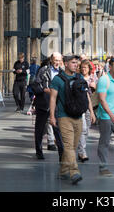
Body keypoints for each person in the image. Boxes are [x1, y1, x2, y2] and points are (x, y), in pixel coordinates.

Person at [49, 55, 96, 185]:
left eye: (77, 63)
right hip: (64, 117)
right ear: (65, 63)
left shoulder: (79, 77)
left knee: (73, 147)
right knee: (69, 146)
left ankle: (63, 170)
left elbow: (86, 95)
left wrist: (91, 112)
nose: (76, 65)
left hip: (78, 116)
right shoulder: (57, 80)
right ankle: (74, 172)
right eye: (73, 63)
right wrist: (52, 116)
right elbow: (53, 98)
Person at [33, 54, 64, 160]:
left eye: (59, 60)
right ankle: (39, 151)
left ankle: (62, 154)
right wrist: (44, 90)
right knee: (40, 129)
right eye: (56, 60)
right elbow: (36, 85)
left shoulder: (62, 72)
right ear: (51, 60)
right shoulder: (43, 70)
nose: (57, 62)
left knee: (58, 130)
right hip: (43, 104)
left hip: (57, 105)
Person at [77, 60, 98, 162]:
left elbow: (98, 91)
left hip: (91, 105)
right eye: (82, 67)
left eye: (86, 67)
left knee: (87, 129)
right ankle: (82, 151)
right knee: (83, 128)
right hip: (81, 105)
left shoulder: (93, 78)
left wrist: (95, 86)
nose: (84, 69)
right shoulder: (78, 78)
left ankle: (81, 148)